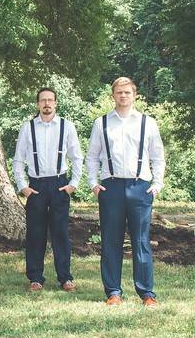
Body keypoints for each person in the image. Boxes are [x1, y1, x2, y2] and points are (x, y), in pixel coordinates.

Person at [86, 77, 165, 307]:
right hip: (110, 187)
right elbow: (92, 157)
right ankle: (113, 292)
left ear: (134, 95)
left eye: (127, 93)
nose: (123, 96)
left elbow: (158, 156)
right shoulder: (101, 123)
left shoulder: (147, 123)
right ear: (113, 95)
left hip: (140, 186)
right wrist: (93, 183)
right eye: (119, 92)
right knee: (111, 241)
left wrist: (157, 184)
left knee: (141, 241)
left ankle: (147, 293)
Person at [12, 87, 83, 292]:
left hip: (60, 184)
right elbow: (18, 160)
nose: (47, 104)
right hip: (36, 186)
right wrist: (22, 186)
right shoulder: (28, 127)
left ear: (56, 103)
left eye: (50, 100)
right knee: (35, 233)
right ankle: (35, 277)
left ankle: (65, 278)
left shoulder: (66, 126)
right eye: (43, 100)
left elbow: (77, 157)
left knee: (60, 233)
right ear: (37, 104)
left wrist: (73, 184)